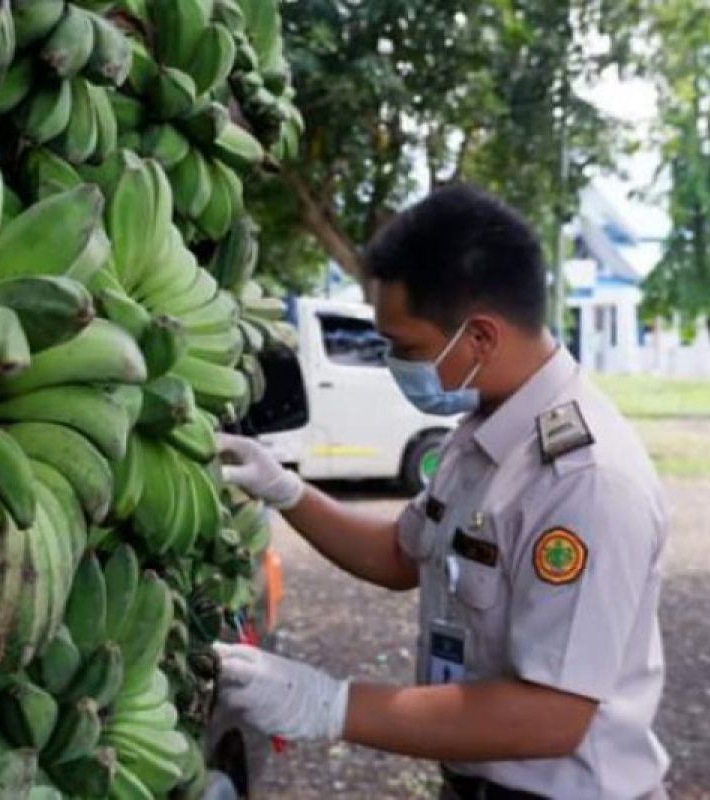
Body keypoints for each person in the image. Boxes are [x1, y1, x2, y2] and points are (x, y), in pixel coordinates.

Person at [214, 184, 670, 799]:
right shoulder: (486, 429)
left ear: (479, 337)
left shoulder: (584, 482)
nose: (396, 364)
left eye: (407, 348)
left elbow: (552, 716)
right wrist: (287, 490)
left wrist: (330, 705)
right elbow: (403, 555)